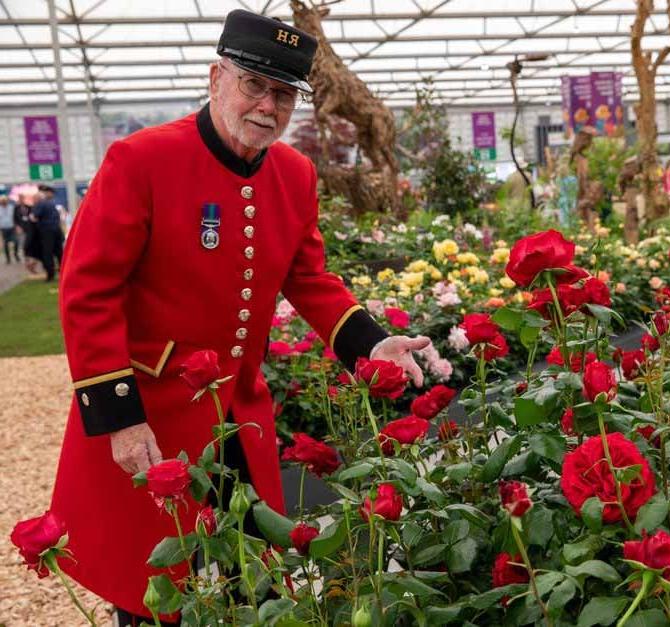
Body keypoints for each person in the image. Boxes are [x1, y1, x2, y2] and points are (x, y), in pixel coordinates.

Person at [47, 10, 430, 625]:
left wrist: (371, 344)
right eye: (254, 84)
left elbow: (309, 278)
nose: (267, 105)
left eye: (284, 94)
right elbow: (88, 290)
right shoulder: (139, 159)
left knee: (246, 580)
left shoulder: (296, 173)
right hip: (154, 413)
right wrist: (118, 417)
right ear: (215, 77)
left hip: (239, 418)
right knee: (156, 588)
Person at [32, 184, 63, 281]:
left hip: (47, 231)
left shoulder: (41, 204)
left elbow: (34, 217)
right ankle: (63, 272)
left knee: (47, 253)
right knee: (59, 253)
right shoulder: (51, 203)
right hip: (56, 230)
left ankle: (50, 274)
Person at [0, 195, 17, 263]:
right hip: (3, 228)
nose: (4, 202)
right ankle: (8, 259)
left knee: (16, 242)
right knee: (5, 243)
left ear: (7, 201)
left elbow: (15, 216)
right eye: (2, 201)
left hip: (12, 227)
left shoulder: (12, 207)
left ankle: (16, 255)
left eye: (5, 200)